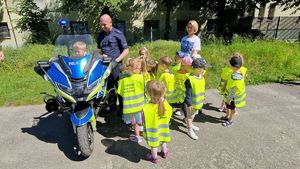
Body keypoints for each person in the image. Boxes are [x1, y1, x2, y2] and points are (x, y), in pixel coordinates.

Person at [97, 14, 129, 89]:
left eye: (104, 25)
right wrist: (101, 56)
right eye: (101, 25)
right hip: (105, 64)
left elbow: (126, 50)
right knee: (107, 86)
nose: (102, 27)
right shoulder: (100, 35)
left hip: (116, 65)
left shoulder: (118, 34)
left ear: (110, 23)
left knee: (118, 86)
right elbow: (99, 49)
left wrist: (116, 60)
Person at [143, 80, 172, 164]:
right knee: (163, 140)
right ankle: (164, 152)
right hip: (164, 129)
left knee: (154, 145)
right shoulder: (166, 103)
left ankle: (154, 157)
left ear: (148, 94)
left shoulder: (147, 107)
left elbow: (144, 121)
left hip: (153, 131)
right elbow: (169, 114)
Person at [117, 58, 145, 143]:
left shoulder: (123, 81)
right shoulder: (141, 78)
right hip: (141, 105)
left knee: (134, 123)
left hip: (130, 107)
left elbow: (120, 93)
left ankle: (137, 137)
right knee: (142, 120)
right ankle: (144, 133)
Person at [184, 58, 209, 140]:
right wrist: (189, 103)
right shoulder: (190, 79)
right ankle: (189, 130)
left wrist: (203, 96)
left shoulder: (201, 76)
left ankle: (190, 124)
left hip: (198, 102)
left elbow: (201, 88)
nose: (205, 70)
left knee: (193, 115)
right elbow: (188, 93)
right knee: (190, 117)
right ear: (198, 69)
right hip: (191, 103)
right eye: (203, 68)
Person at [220, 53, 247, 127]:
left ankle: (230, 120)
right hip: (231, 96)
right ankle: (227, 117)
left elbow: (233, 89)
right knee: (229, 107)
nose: (230, 67)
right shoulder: (237, 73)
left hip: (233, 98)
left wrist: (229, 98)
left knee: (232, 109)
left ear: (234, 67)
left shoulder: (236, 77)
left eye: (231, 66)